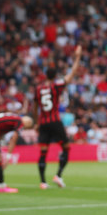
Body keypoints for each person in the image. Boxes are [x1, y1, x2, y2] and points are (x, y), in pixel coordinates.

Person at [33, 46, 82, 189]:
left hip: (43, 122)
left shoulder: (38, 89)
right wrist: (77, 56)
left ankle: (42, 182)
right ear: (55, 76)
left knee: (43, 152)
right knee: (66, 148)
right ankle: (58, 175)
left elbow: (34, 108)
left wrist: (36, 123)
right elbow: (72, 73)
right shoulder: (56, 85)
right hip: (55, 121)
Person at [0, 112, 34, 193]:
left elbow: (2, 129)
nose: (24, 128)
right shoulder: (19, 122)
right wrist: (8, 157)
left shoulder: (13, 118)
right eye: (26, 127)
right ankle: (1, 185)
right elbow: (14, 139)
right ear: (27, 123)